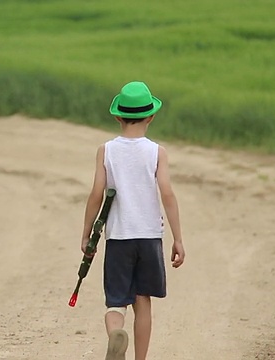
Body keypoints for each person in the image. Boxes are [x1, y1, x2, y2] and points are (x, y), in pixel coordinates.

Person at [80, 81, 185, 360]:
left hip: (118, 238)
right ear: (150, 116)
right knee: (143, 302)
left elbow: (96, 194)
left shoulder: (106, 151)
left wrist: (87, 233)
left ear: (117, 116)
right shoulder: (157, 152)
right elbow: (167, 194)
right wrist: (177, 238)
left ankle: (116, 333)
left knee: (116, 302)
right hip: (149, 237)